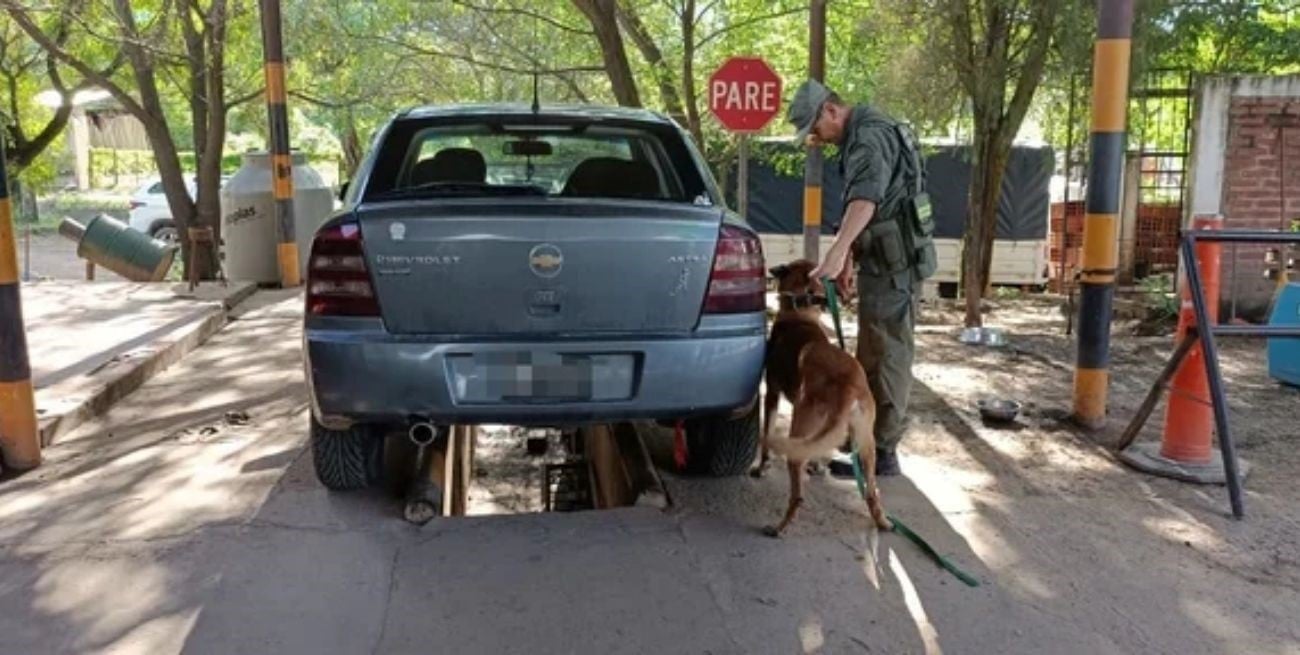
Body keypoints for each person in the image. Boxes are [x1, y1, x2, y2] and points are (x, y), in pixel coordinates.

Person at [785, 79, 935, 477]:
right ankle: (864, 442)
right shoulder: (865, 132)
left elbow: (866, 200)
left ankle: (881, 451)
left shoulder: (868, 137)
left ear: (831, 111)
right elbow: (872, 203)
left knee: (887, 354)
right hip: (883, 257)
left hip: (894, 264)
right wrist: (850, 253)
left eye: (816, 129)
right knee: (871, 350)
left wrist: (836, 253)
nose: (817, 138)